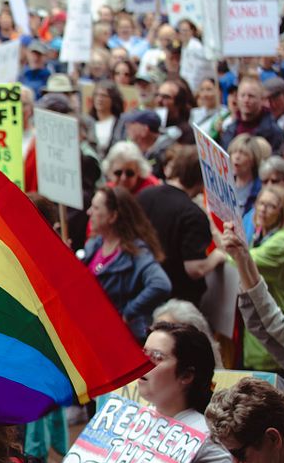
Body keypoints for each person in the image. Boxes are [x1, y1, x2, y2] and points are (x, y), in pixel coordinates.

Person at [130, 322, 235, 463]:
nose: (143, 362)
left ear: (186, 375)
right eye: (143, 353)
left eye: (157, 357)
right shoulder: (134, 417)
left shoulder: (204, 438)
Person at [137, 145, 224, 304]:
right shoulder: (193, 215)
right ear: (201, 179)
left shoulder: (144, 195)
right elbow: (195, 269)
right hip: (174, 303)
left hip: (140, 288)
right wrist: (218, 256)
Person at [83, 186, 171, 342]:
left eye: (96, 208)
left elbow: (161, 284)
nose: (89, 212)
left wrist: (128, 312)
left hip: (119, 338)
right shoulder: (95, 245)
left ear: (113, 216)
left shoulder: (136, 252)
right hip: (95, 332)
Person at [241, 185, 284, 373]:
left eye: (270, 206)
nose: (263, 209)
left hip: (281, 337)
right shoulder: (259, 236)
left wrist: (219, 244)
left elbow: (243, 260)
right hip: (263, 337)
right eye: (260, 203)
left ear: (283, 212)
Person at [222, 76, 284, 151]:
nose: (246, 100)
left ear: (261, 99)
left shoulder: (274, 132)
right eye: (242, 95)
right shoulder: (230, 130)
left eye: (251, 96)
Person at [228, 133, 271, 215]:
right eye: (234, 152)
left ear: (253, 160)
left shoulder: (260, 189)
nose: (237, 157)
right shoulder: (225, 182)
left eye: (244, 154)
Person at [91, 79, 126, 156]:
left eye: (103, 96)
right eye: (96, 95)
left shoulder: (120, 124)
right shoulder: (88, 121)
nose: (99, 99)